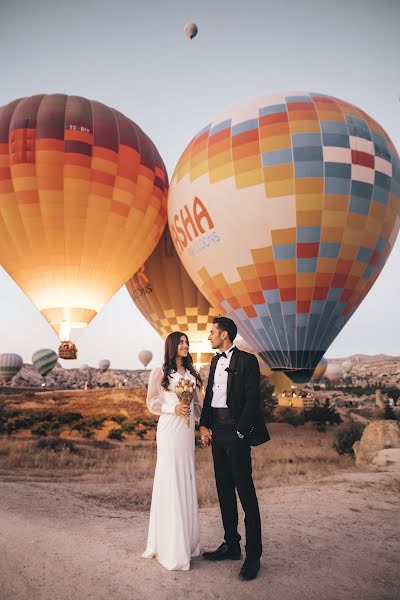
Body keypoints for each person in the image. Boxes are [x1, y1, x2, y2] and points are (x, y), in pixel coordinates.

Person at [200, 317, 270, 581]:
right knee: (224, 491)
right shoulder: (215, 361)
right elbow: (209, 396)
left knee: (246, 494)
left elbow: (254, 398)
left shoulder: (247, 360)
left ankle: (253, 556)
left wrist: (241, 431)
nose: (208, 337)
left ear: (225, 334)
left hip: (236, 432)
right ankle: (231, 545)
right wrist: (204, 425)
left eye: (212, 333)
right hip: (217, 432)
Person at [142, 332, 203, 571]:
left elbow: (198, 405)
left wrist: (201, 421)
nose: (185, 346)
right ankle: (170, 546)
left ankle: (186, 543)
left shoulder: (192, 374)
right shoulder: (160, 372)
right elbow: (151, 403)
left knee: (185, 477)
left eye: (187, 342)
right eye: (181, 342)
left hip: (186, 432)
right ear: (172, 346)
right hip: (169, 429)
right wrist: (173, 407)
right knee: (170, 479)